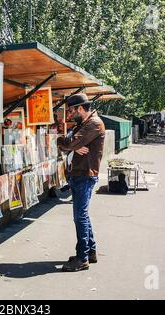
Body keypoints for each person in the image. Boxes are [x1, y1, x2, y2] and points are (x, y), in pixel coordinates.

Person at [56, 94, 105, 272]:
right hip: (78, 174)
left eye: (71, 110)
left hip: (85, 175)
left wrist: (70, 143)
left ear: (80, 108)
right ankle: (90, 252)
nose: (69, 114)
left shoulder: (94, 124)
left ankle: (82, 258)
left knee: (80, 217)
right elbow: (67, 142)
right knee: (82, 215)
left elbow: (68, 141)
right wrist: (71, 144)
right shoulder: (83, 124)